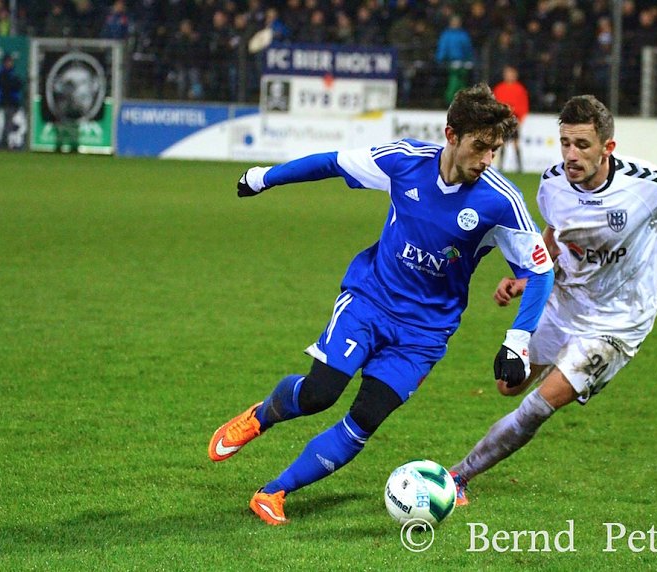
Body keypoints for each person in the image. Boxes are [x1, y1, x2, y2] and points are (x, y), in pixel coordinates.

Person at [208, 84, 556, 526]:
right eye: (479, 147)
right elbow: (332, 163)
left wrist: (517, 341)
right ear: (452, 135)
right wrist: (264, 177)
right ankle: (262, 415)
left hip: (424, 334)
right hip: (370, 301)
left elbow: (540, 270)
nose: (487, 159)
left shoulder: (501, 203)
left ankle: (274, 492)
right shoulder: (405, 161)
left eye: (495, 150)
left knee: (365, 419)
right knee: (319, 394)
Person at [449, 94, 657, 505]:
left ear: (607, 147)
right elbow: (556, 235)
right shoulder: (553, 183)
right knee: (508, 385)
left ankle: (459, 476)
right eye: (565, 143)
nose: (571, 155)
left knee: (538, 406)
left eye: (582, 145)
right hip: (566, 299)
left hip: (617, 323)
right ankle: (571, 369)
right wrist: (527, 276)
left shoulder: (651, 185)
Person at [492, 65, 528, 172]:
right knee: (501, 142)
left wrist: (520, 119)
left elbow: (524, 105)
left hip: (514, 119)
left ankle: (519, 167)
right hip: (503, 120)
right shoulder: (499, 88)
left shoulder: (520, 89)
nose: (509, 76)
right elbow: (495, 103)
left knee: (516, 143)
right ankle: (501, 166)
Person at [0, 52, 23, 150]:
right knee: (8, 123)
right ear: (4, 62)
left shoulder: (11, 73)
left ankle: (6, 142)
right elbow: (6, 86)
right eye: (8, 61)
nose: (10, 63)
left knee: (9, 123)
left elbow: (18, 84)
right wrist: (14, 84)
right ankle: (4, 143)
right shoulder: (3, 73)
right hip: (7, 101)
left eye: (10, 61)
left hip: (13, 101)